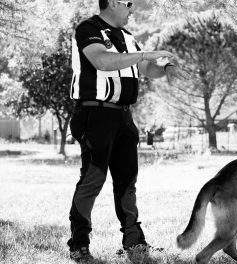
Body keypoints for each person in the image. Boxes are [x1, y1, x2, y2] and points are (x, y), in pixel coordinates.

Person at [67, 0, 189, 262]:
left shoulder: (127, 37)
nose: (132, 9)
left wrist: (166, 68)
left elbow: (145, 69)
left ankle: (134, 242)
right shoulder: (88, 28)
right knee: (92, 180)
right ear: (112, 2)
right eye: (129, 3)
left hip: (123, 117)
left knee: (127, 182)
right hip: (94, 115)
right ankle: (78, 244)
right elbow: (101, 60)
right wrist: (146, 54)